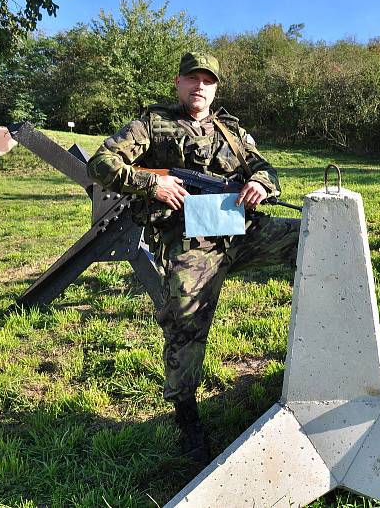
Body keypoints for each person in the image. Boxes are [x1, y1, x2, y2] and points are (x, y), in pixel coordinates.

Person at [86, 52, 300, 462]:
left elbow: (267, 169)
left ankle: (320, 354)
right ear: (178, 82)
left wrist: (259, 183)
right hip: (189, 239)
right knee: (185, 320)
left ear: (216, 88)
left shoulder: (232, 130)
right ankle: (186, 415)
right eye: (191, 79)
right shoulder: (150, 124)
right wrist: (151, 185)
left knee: (314, 242)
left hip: (240, 229)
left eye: (208, 80)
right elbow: (102, 162)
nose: (199, 86)